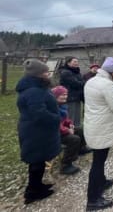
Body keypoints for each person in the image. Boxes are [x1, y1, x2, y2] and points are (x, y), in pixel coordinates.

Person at [84, 57, 113, 211]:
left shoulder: (91, 81)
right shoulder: (108, 85)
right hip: (102, 129)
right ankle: (93, 200)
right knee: (98, 163)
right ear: (112, 73)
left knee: (99, 159)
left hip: (94, 126)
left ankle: (102, 182)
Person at [16, 59, 61, 204]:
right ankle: (32, 192)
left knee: (39, 160)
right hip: (35, 132)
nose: (48, 74)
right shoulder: (33, 91)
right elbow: (39, 113)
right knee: (36, 162)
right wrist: (56, 118)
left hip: (39, 131)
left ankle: (37, 185)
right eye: (46, 72)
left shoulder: (38, 88)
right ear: (38, 75)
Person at [51, 86, 91, 175]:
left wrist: (70, 124)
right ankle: (65, 165)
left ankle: (81, 149)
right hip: (54, 135)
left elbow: (65, 120)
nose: (65, 96)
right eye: (62, 95)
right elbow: (56, 124)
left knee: (79, 130)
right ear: (55, 96)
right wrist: (67, 130)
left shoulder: (62, 106)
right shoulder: (52, 108)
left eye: (66, 94)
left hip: (61, 131)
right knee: (74, 139)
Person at [59, 56, 84, 127]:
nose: (76, 63)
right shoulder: (65, 72)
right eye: (74, 62)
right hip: (69, 98)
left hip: (77, 97)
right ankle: (69, 134)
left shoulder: (77, 73)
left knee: (77, 119)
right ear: (68, 63)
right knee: (70, 118)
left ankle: (77, 134)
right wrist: (83, 83)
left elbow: (81, 82)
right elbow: (76, 83)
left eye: (77, 62)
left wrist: (82, 83)